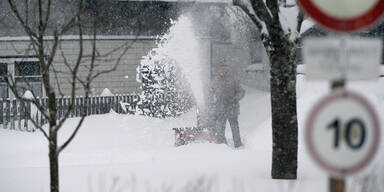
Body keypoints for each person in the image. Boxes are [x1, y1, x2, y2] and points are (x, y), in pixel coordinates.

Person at [211, 64, 245, 148]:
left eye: (224, 69)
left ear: (227, 69)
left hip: (232, 107)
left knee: (234, 127)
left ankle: (238, 144)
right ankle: (222, 145)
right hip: (220, 108)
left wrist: (235, 99)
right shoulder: (215, 81)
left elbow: (241, 92)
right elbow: (211, 92)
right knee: (220, 128)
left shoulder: (234, 79)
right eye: (221, 69)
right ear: (218, 70)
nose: (222, 70)